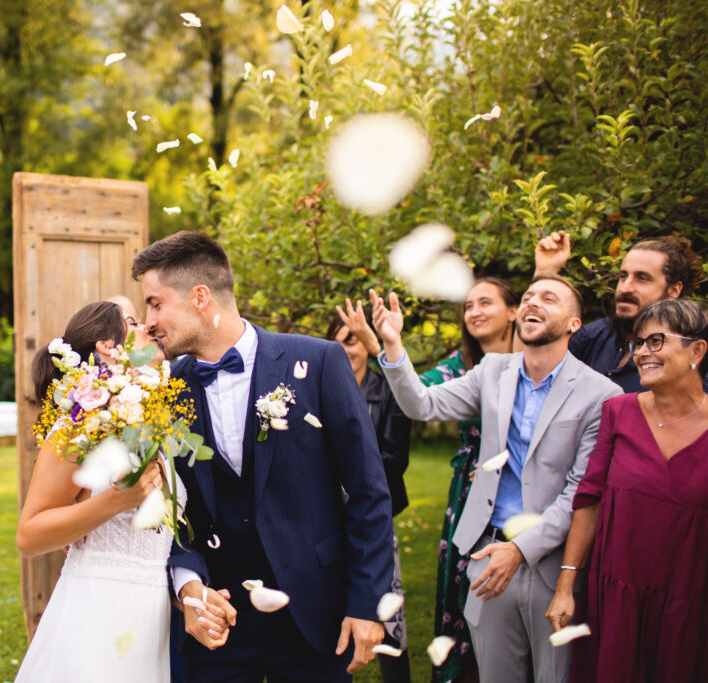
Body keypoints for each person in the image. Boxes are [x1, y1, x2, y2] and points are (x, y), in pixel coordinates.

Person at [132, 231, 395, 682]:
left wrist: (368, 601)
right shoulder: (166, 389)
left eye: (156, 303)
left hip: (314, 611)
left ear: (200, 297)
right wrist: (189, 589)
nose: (149, 320)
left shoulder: (319, 362)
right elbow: (171, 508)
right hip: (218, 622)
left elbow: (368, 492)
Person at [370, 274, 621, 683]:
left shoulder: (601, 394)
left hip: (553, 565)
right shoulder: (493, 370)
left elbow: (580, 491)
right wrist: (394, 346)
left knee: (555, 676)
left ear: (575, 324)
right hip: (486, 557)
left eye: (549, 298)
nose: (533, 303)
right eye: (527, 297)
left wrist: (520, 550)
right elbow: (422, 404)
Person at [546, 298, 708, 682]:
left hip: (691, 602)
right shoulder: (618, 412)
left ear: (697, 350)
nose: (641, 353)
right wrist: (566, 586)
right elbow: (589, 501)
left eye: (656, 341)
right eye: (638, 343)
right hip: (617, 597)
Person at [13, 301, 171, 682]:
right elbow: (29, 535)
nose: (148, 326)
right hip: (98, 610)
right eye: (133, 322)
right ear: (106, 346)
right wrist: (115, 501)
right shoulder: (79, 423)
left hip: (153, 610)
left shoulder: (154, 421)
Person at [417, 276, 518, 683]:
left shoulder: (537, 360)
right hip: (469, 493)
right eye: (469, 306)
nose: (474, 312)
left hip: (525, 493)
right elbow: (416, 396)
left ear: (514, 311)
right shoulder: (462, 366)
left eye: (486, 303)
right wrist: (383, 349)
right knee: (464, 594)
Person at [328, 300, 411, 683]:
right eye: (339, 340)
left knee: (387, 607)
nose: (347, 348)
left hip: (373, 516)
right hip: (327, 517)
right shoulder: (319, 386)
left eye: (354, 340)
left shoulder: (387, 391)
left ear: (365, 344)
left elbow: (395, 458)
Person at [534, 231, 708, 392]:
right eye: (623, 276)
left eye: (642, 279)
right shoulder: (594, 336)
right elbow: (532, 368)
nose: (626, 288)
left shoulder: (692, 354)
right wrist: (545, 271)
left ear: (673, 290)